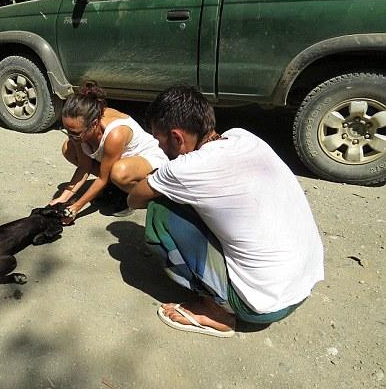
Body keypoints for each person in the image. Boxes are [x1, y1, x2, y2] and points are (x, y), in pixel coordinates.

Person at [128, 85, 324, 337]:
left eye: (159, 139)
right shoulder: (243, 137)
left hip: (257, 306)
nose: (159, 147)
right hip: (299, 286)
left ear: (177, 138)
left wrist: (157, 181)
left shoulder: (185, 169)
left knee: (159, 210)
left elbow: (135, 199)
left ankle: (218, 311)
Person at [50, 83, 168, 221]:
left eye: (75, 133)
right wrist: (63, 198)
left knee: (118, 173)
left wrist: (76, 207)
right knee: (68, 148)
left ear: (94, 124)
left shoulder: (115, 133)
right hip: (118, 159)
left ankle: (147, 196)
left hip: (148, 158)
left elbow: (102, 177)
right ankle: (116, 188)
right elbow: (84, 167)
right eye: (67, 130)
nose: (71, 136)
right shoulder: (81, 130)